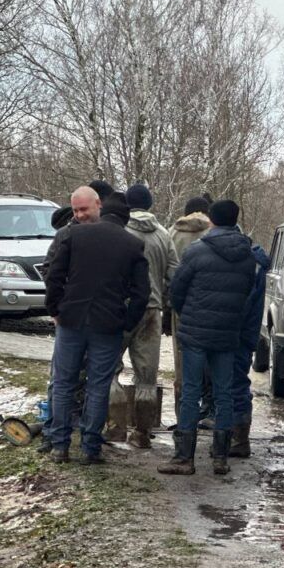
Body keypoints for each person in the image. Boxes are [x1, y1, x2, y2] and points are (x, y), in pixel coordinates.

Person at [44, 191, 149, 464]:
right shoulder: (132, 244)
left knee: (63, 383)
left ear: (101, 207)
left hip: (71, 320)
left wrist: (55, 309)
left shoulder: (73, 236)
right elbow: (141, 293)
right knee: (99, 386)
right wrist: (127, 322)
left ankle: (60, 445)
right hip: (108, 324)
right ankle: (91, 447)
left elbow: (54, 275)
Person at [160, 199, 255, 476]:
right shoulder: (247, 255)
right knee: (223, 393)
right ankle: (220, 458)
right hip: (227, 332)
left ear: (211, 220)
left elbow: (177, 290)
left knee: (190, 391)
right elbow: (247, 294)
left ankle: (183, 458)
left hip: (195, 332)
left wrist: (186, 313)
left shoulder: (196, 251)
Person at [105, 183, 179, 448]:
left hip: (119, 309)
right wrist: (165, 301)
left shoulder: (119, 231)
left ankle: (115, 429)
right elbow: (174, 273)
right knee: (146, 376)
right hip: (152, 311)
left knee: (110, 369)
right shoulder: (162, 234)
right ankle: (143, 433)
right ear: (149, 204)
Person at [36, 187, 102, 455]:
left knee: (92, 383)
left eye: (84, 210)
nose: (80, 215)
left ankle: (88, 438)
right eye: (75, 211)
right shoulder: (65, 235)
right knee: (61, 381)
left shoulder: (109, 235)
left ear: (98, 205)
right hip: (71, 320)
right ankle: (54, 435)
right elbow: (50, 272)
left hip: (100, 320)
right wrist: (55, 310)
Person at [166, 196, 213, 412]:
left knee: (182, 359)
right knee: (212, 355)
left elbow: (167, 273)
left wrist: (169, 306)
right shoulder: (214, 232)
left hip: (181, 305)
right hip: (211, 305)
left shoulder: (171, 232)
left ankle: (183, 415)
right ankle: (210, 407)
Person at [229, 237, 270, 457]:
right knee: (238, 382)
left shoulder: (247, 264)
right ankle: (238, 436)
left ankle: (237, 439)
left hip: (235, 332)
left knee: (234, 384)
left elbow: (243, 303)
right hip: (247, 333)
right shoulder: (256, 262)